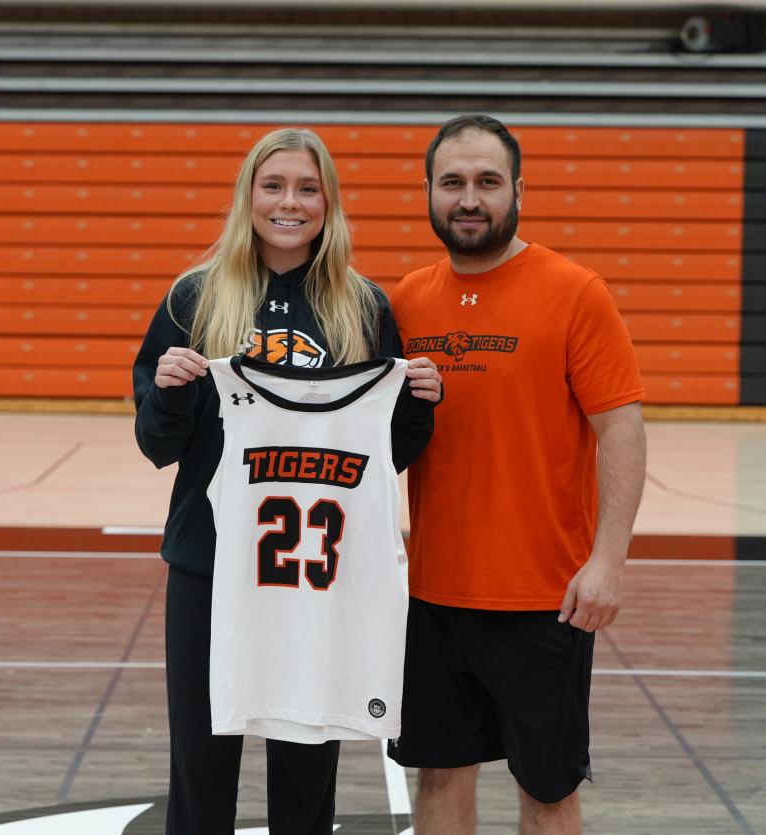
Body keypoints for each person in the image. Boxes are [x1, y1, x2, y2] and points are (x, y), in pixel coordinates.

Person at [132, 126, 442, 835]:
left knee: (307, 764)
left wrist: (421, 405)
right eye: (273, 185)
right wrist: (173, 392)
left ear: (329, 203)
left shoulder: (363, 307)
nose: (289, 203)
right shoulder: (194, 297)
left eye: (308, 188)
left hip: (314, 572)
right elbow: (156, 444)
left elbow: (382, 455)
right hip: (210, 565)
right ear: (248, 197)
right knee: (201, 765)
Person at [387, 114, 647, 834]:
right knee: (437, 773)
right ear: (431, 193)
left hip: (544, 597)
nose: (469, 198)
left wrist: (609, 558)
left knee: (547, 789)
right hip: (433, 595)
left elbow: (620, 425)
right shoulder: (405, 300)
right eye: (453, 183)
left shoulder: (574, 291)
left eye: (487, 182)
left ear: (518, 191)